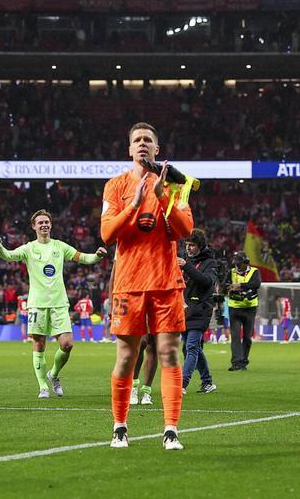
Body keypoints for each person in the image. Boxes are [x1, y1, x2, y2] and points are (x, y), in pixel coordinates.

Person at [101, 121, 194, 450]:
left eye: (148, 140)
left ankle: (170, 430)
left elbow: (184, 230)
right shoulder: (114, 186)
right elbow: (108, 234)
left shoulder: (175, 185)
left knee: (169, 352)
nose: (142, 144)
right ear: (129, 149)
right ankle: (120, 426)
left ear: (157, 149)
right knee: (127, 356)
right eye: (137, 139)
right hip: (129, 284)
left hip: (167, 283)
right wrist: (134, 203)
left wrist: (163, 198)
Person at [0, 210, 106, 398]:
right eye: (40, 223)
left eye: (47, 222)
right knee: (39, 344)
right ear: (34, 226)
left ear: (51, 225)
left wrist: (97, 256)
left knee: (67, 344)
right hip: (37, 304)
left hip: (59, 304)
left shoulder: (60, 246)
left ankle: (53, 375)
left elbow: (83, 258)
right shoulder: (29, 248)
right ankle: (43, 386)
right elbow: (8, 256)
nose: (44, 225)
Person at [178, 229, 218, 394]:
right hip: (185, 310)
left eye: (192, 245)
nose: (188, 248)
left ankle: (182, 384)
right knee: (189, 348)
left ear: (200, 246)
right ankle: (207, 381)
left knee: (192, 347)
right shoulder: (187, 260)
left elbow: (207, 282)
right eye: (187, 244)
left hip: (201, 309)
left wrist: (186, 266)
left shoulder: (210, 263)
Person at [226, 253, 260, 370]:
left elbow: (256, 284)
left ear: (246, 263)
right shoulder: (231, 272)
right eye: (236, 263)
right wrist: (226, 287)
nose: (237, 266)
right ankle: (236, 363)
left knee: (247, 337)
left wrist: (239, 285)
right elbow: (225, 285)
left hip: (250, 308)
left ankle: (244, 361)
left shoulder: (255, 271)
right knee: (235, 336)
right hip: (234, 307)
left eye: (239, 264)